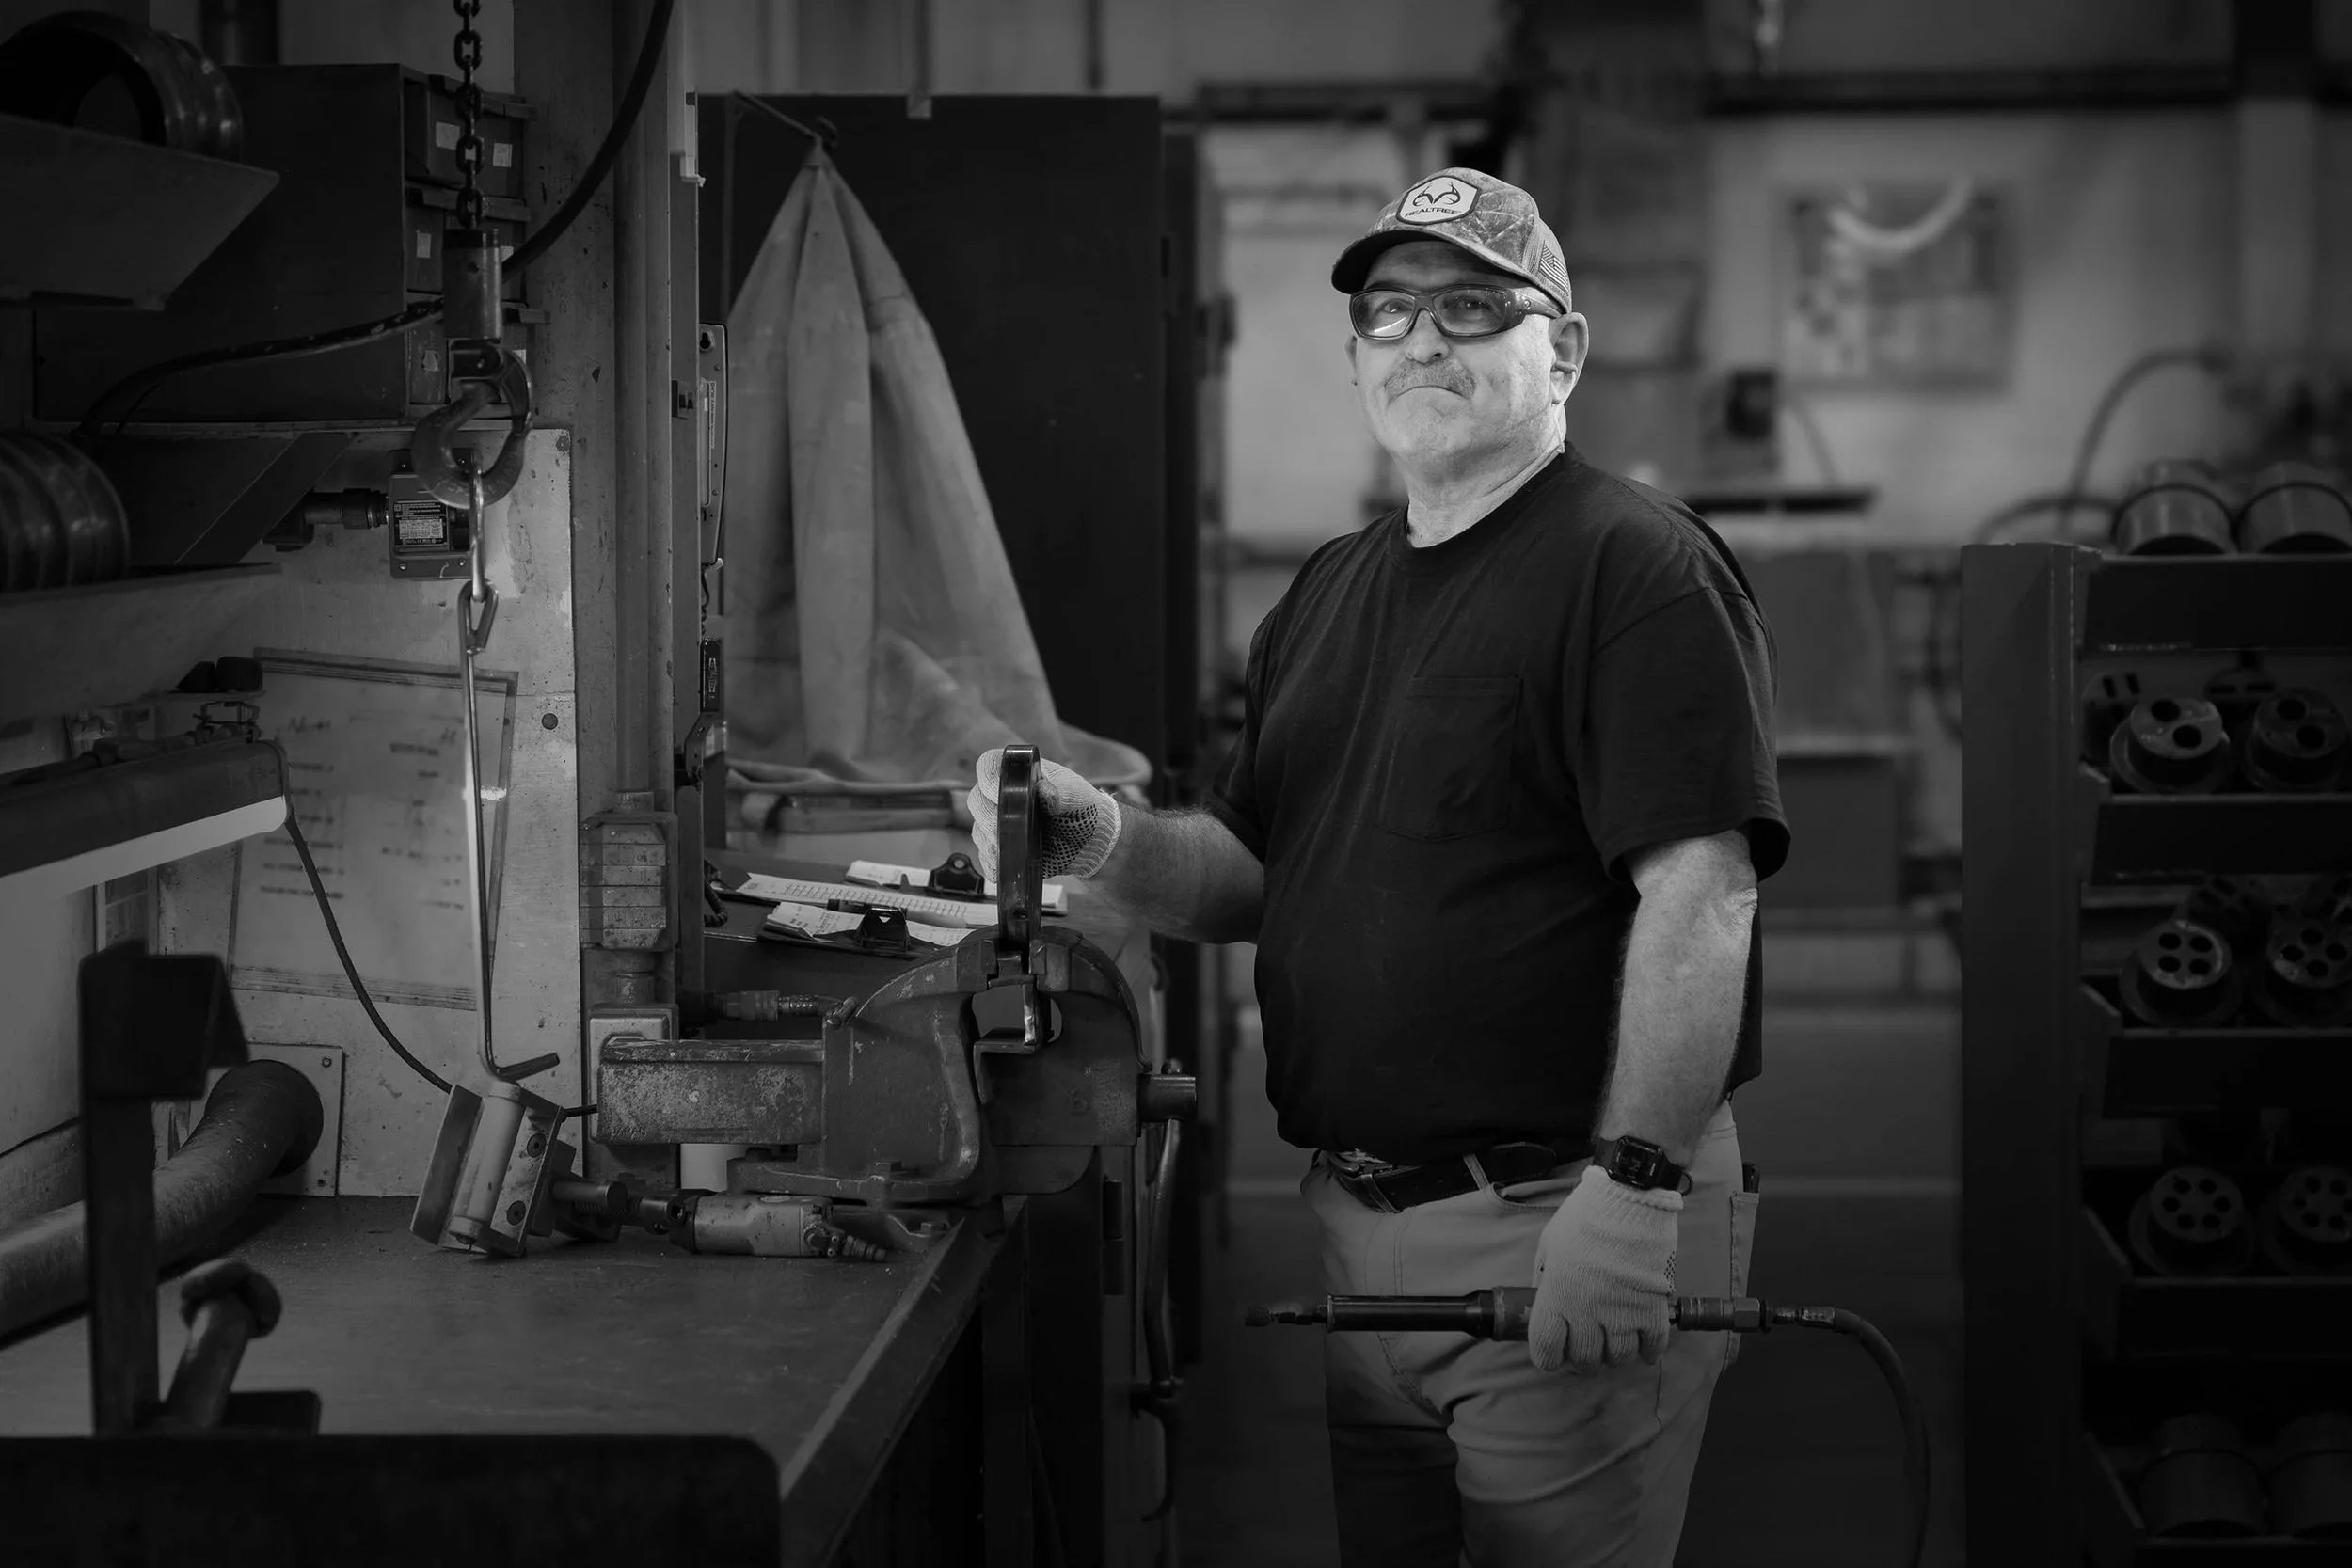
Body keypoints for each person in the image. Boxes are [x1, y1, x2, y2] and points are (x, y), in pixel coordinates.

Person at [967, 166, 1788, 1568]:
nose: (1423, 340)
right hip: (1363, 1224)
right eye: (1390, 312)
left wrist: (1635, 1188)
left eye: (1473, 307)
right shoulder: (1330, 593)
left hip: (1558, 1216)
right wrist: (1093, 836)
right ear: (1355, 359)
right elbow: (1251, 873)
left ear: (1562, 350)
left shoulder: (1633, 572)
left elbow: (1702, 892)